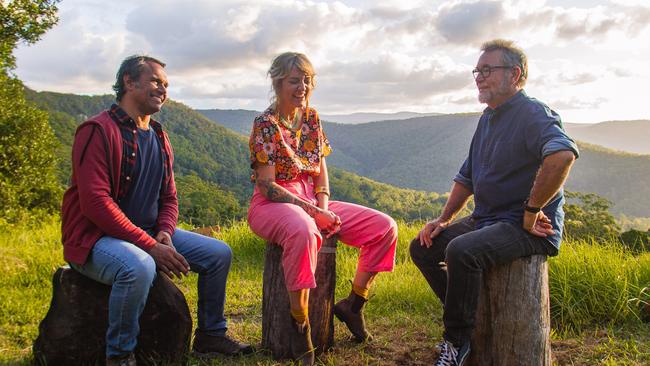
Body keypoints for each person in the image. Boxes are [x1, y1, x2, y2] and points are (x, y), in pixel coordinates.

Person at [60, 55, 253, 366]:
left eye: (166, 85)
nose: (163, 89)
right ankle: (120, 355)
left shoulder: (160, 136)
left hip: (148, 232)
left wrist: (164, 232)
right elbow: (95, 203)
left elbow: (169, 197)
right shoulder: (97, 130)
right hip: (95, 239)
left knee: (219, 254)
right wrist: (149, 245)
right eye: (155, 82)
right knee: (139, 266)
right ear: (129, 82)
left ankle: (211, 334)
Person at [409, 39, 579, 366]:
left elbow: (562, 155)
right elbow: (467, 177)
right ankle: (470, 318)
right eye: (477, 70)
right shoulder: (488, 117)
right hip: (488, 218)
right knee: (423, 248)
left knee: (461, 251)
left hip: (526, 227)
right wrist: (443, 220)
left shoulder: (533, 113)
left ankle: (456, 343)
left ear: (515, 74)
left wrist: (531, 212)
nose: (479, 77)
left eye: (488, 70)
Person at [247, 52, 398, 365]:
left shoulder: (312, 118)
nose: (302, 86)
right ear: (276, 83)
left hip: (313, 201)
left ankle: (354, 305)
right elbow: (268, 186)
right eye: (294, 80)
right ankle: (299, 323)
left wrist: (324, 207)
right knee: (303, 231)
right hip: (274, 203)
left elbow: (321, 171)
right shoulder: (265, 124)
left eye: (306, 80)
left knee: (385, 227)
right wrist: (314, 213)